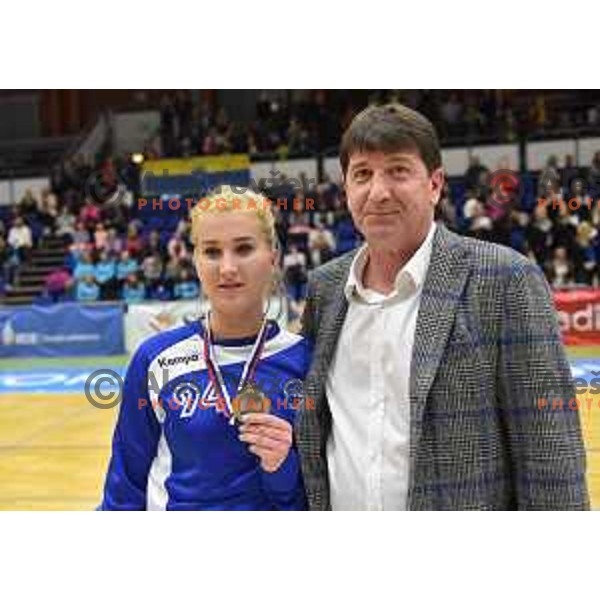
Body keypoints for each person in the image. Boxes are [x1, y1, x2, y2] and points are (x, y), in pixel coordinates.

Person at [296, 103, 589, 510]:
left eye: (398, 170)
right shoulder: (324, 289)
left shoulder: (505, 280)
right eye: (362, 174)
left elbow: (549, 450)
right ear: (345, 188)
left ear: (434, 184)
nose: (378, 192)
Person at [100, 186, 310, 510]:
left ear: (273, 257)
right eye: (212, 252)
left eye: (243, 249)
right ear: (196, 261)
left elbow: (315, 501)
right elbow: (125, 484)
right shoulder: (155, 359)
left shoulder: (303, 360)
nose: (227, 268)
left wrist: (283, 468)